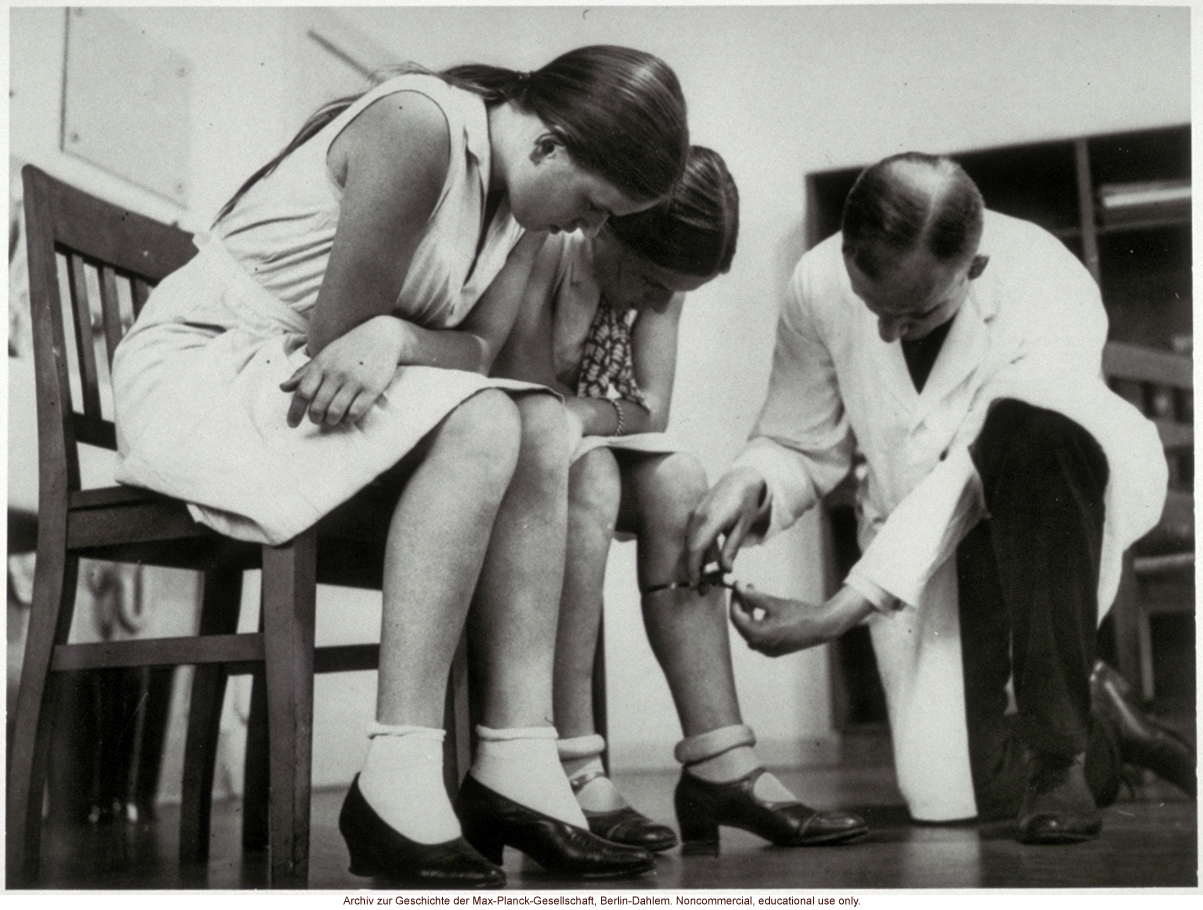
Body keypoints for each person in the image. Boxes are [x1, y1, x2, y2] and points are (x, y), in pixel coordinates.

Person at [112, 46, 690, 885]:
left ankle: (514, 756)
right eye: (595, 206)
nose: (588, 230)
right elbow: (340, 340)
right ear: (550, 146)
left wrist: (397, 337)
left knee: (533, 421)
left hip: (308, 381)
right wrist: (388, 338)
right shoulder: (419, 126)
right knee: (494, 415)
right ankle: (399, 776)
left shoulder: (520, 211)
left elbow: (484, 350)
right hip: (208, 375)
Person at [686, 152, 1195, 845]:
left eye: (916, 312)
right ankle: (1107, 718)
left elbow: (971, 470)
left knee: (1032, 438)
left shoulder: (1042, 274)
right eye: (875, 311)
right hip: (917, 539)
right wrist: (750, 482)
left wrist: (838, 610)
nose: (890, 332)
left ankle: (1060, 752)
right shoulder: (817, 279)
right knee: (952, 798)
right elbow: (799, 441)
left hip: (1057, 495)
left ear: (973, 267)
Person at [491, 147, 867, 855]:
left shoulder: (659, 282)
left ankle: (720, 760)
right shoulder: (544, 249)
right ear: (608, 226)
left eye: (676, 292)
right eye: (654, 283)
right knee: (595, 474)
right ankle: (571, 762)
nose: (659, 304)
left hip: (568, 442)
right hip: (497, 454)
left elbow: (651, 409)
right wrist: (589, 407)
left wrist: (587, 416)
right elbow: (526, 401)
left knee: (679, 478)